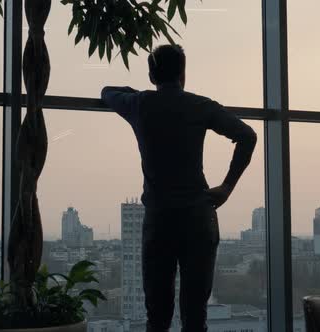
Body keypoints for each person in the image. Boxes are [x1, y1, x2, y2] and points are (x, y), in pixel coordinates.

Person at [101, 44, 257, 332]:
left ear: (151, 75)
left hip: (159, 220)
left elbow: (108, 91)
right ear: (184, 74)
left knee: (157, 316)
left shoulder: (140, 105)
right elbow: (247, 135)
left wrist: (137, 92)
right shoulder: (199, 105)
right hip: (198, 217)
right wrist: (227, 187)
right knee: (195, 315)